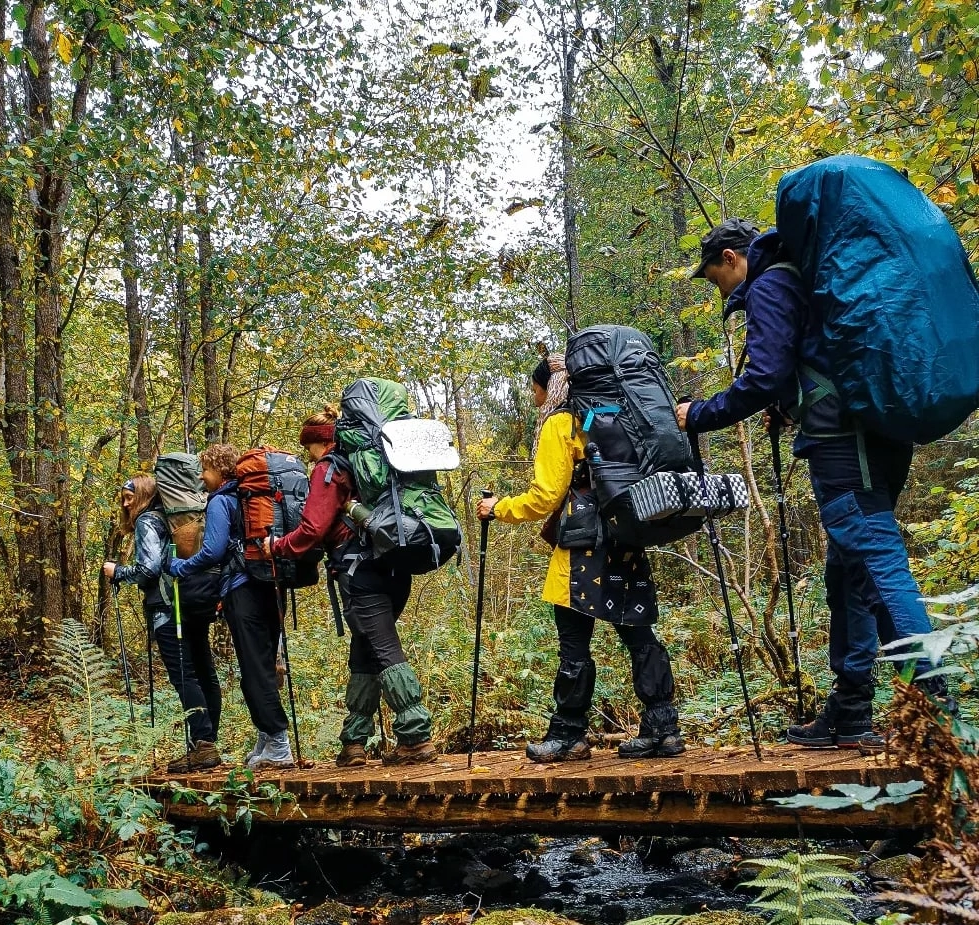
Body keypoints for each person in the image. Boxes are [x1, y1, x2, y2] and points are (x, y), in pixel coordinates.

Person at [676, 218, 938, 749]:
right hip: (874, 435)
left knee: (873, 564)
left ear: (731, 257)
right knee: (846, 575)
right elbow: (805, 364)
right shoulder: (805, 275)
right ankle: (851, 713)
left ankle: (937, 715)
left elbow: (764, 375)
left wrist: (700, 414)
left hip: (844, 444)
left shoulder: (771, 282)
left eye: (713, 278)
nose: (720, 291)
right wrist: (791, 403)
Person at [477, 355, 683, 763]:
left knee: (573, 643)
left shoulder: (562, 422)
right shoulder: (619, 414)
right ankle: (664, 729)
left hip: (582, 545)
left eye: (533, 387)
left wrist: (498, 507)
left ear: (548, 386)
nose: (533, 395)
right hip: (626, 536)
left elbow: (545, 497)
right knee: (639, 635)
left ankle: (569, 735)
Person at [259, 405, 438, 767]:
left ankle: (415, 737)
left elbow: (312, 530)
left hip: (361, 571)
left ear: (318, 442)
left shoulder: (331, 469)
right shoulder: (374, 463)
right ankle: (354, 742)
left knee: (384, 648)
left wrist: (276, 546)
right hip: (392, 566)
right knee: (365, 652)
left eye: (308, 448)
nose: (308, 457)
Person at [167, 442, 293, 769]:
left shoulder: (222, 500)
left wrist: (181, 567)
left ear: (219, 471)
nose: (202, 478)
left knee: (254, 670)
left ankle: (278, 745)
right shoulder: (249, 497)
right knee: (262, 667)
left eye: (205, 470)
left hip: (242, 589)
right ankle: (267, 740)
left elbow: (213, 551)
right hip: (270, 585)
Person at [103, 474, 222, 773]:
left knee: (185, 676)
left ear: (144, 495)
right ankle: (206, 742)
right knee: (203, 671)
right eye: (123, 498)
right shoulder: (175, 518)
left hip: (169, 608)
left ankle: (203, 743)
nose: (125, 503)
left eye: (129, 497)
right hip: (194, 599)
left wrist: (118, 572)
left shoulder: (148, 522)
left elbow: (148, 570)